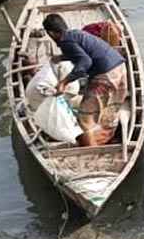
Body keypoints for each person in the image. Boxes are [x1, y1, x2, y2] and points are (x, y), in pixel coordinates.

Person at [42, 13, 127, 147]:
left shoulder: (65, 41)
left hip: (106, 75)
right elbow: (86, 53)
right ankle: (105, 141)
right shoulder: (75, 34)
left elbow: (85, 62)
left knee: (84, 120)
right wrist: (62, 57)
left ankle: (93, 154)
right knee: (108, 111)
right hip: (120, 69)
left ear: (51, 33)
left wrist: (64, 82)